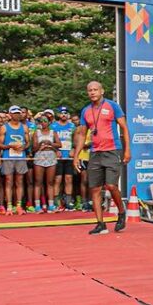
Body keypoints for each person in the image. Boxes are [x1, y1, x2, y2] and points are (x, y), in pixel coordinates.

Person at [75, 81, 130, 234]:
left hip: (112, 150)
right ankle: (100, 223)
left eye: (95, 90)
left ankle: (121, 212)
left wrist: (127, 151)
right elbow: (81, 134)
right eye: (90, 90)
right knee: (95, 189)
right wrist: (76, 154)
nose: (92, 92)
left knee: (111, 186)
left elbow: (124, 128)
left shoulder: (112, 106)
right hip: (95, 152)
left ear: (102, 91)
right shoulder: (86, 111)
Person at [0, 106, 30, 215]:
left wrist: (24, 147)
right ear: (10, 114)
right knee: (8, 181)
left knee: (19, 181)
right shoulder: (4, 127)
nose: (17, 115)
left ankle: (18, 205)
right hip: (8, 157)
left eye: (18, 113)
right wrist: (10, 147)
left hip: (20, 157)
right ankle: (9, 206)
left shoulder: (24, 127)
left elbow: (28, 143)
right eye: (15, 113)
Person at [31, 113, 60, 213]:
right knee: (38, 182)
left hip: (51, 156)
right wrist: (40, 144)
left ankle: (51, 205)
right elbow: (34, 148)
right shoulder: (36, 133)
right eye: (41, 121)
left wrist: (50, 143)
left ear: (49, 122)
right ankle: (37, 205)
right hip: (39, 156)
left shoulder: (53, 132)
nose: (43, 123)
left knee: (50, 182)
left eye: (45, 121)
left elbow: (59, 144)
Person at [51, 106, 76, 211]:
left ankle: (68, 201)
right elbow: (50, 139)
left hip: (69, 156)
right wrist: (56, 150)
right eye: (62, 113)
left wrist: (74, 149)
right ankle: (57, 201)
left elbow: (76, 139)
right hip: (58, 156)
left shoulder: (72, 126)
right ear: (58, 115)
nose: (64, 115)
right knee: (57, 179)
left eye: (65, 113)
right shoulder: (54, 126)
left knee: (69, 179)